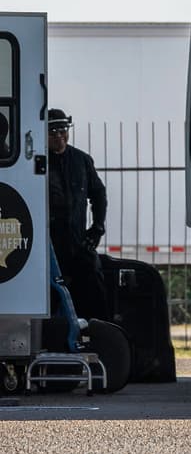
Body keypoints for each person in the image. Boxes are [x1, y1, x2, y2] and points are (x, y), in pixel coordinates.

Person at [47, 108, 109, 321]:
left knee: (93, 281)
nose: (59, 136)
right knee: (52, 293)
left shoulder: (82, 160)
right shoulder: (38, 162)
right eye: (52, 131)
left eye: (62, 130)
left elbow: (98, 193)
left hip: (77, 241)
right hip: (49, 245)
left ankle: (98, 330)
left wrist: (98, 227)